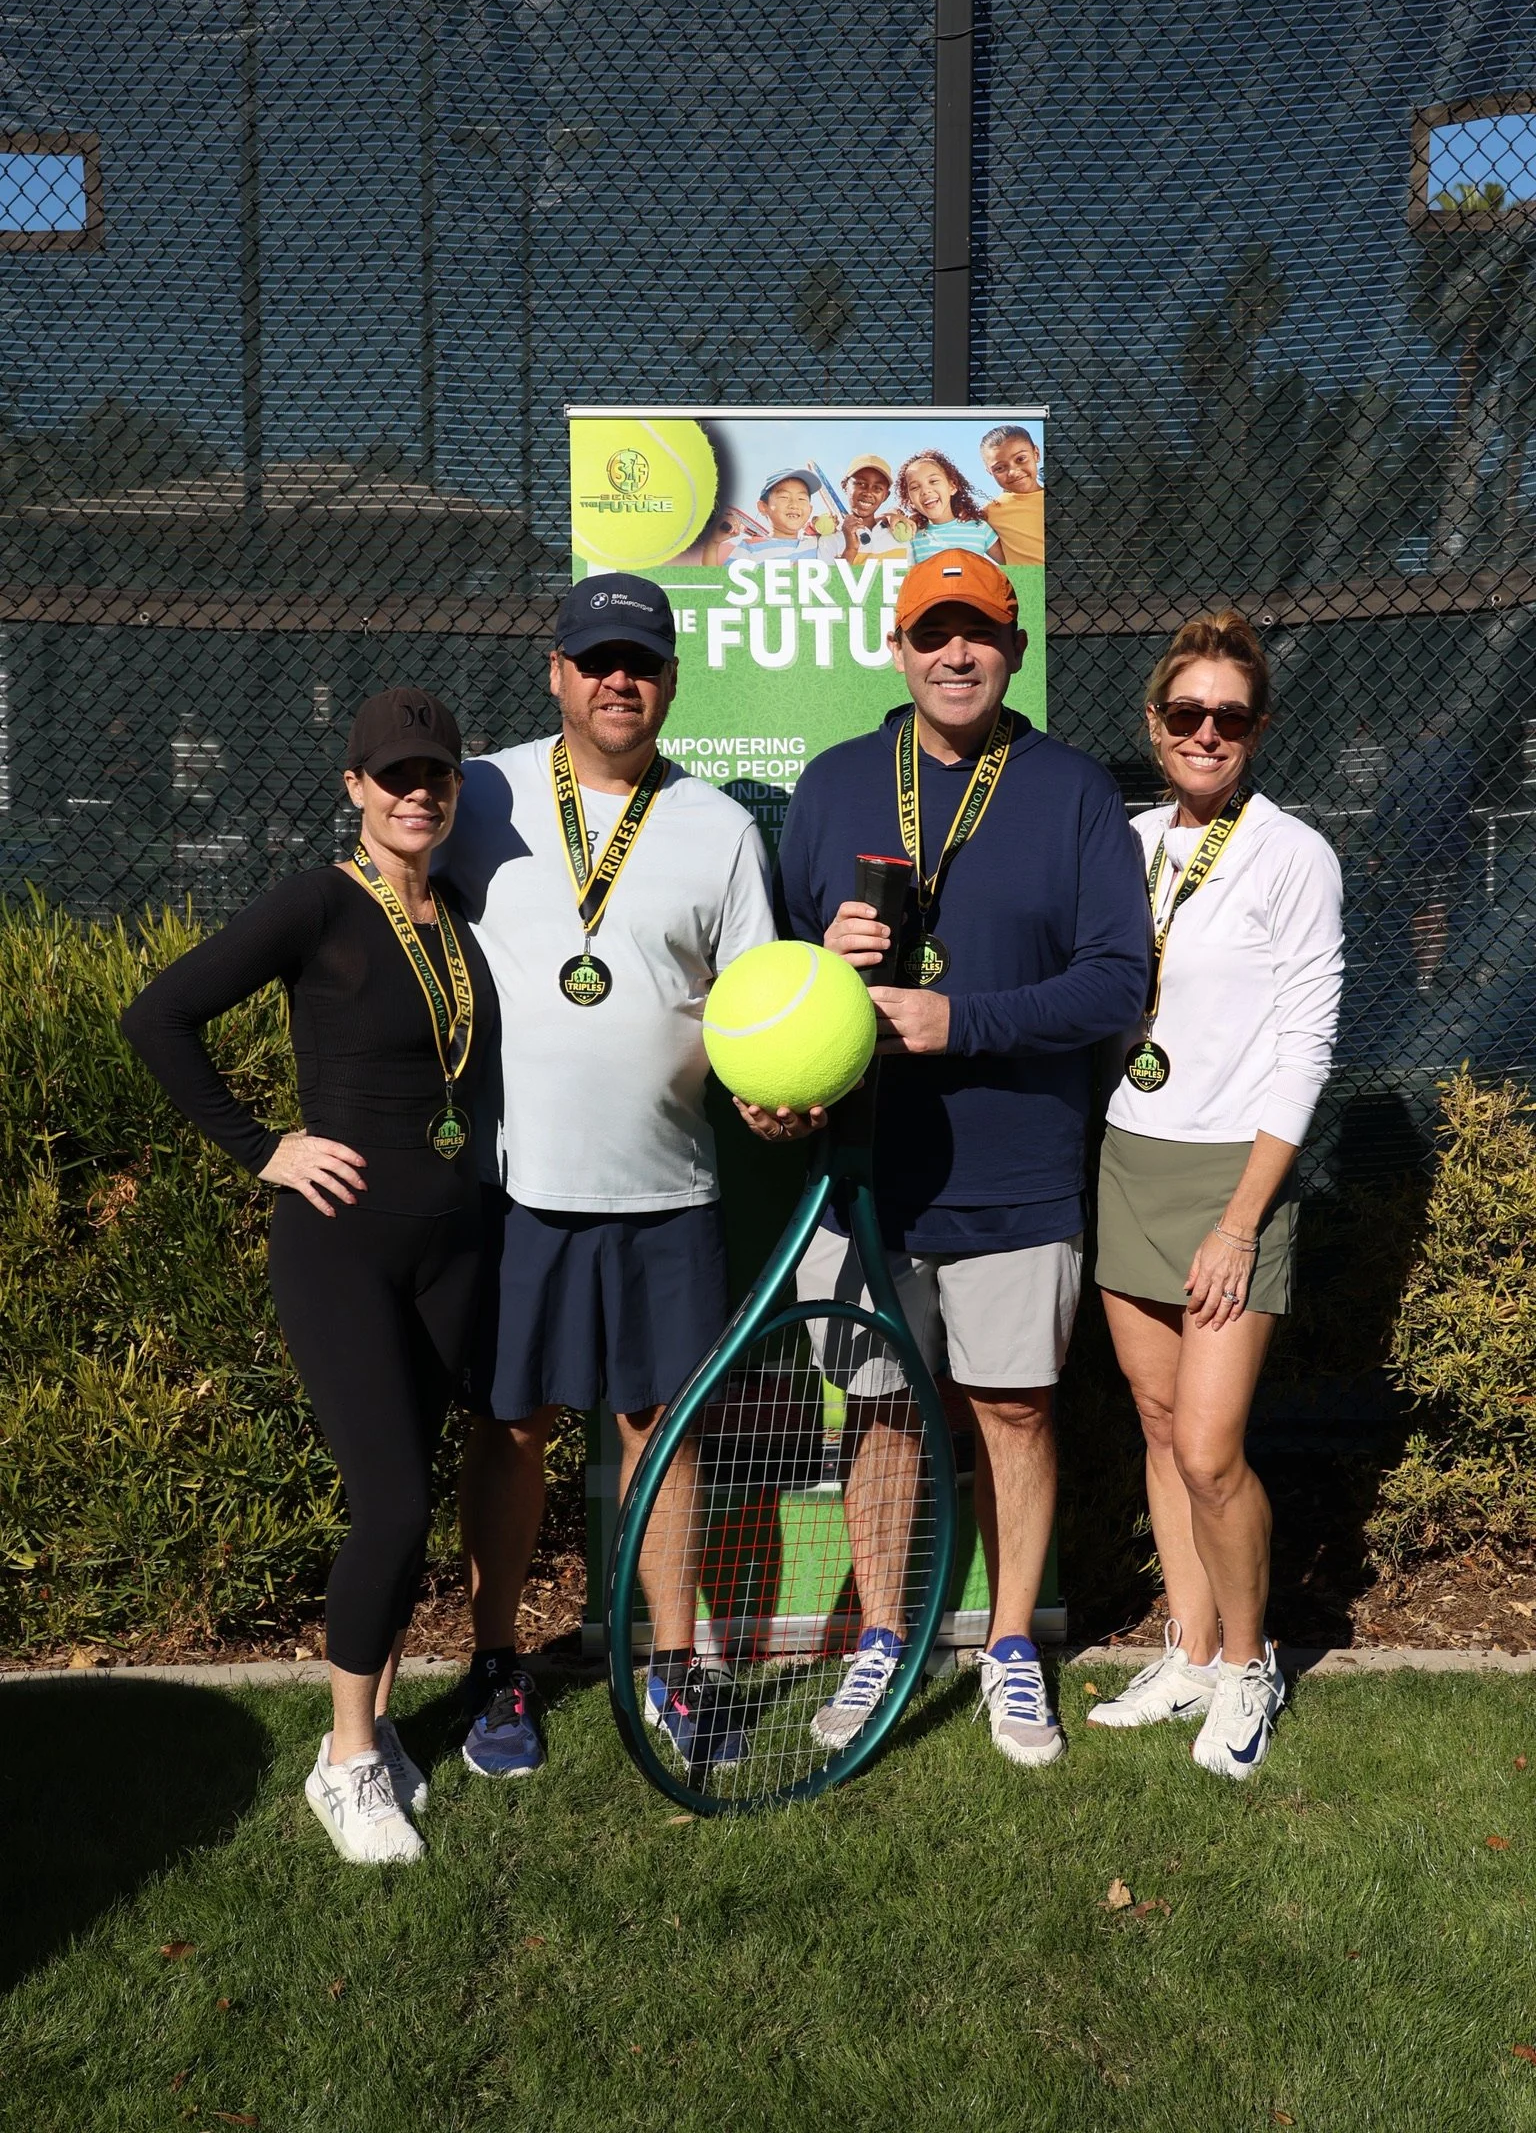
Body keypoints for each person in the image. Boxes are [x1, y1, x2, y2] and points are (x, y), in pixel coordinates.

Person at [752, 548, 1148, 1767]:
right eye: (934, 632)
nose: (956, 653)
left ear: (1017, 651)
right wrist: (828, 956)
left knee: (1014, 1412)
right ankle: (885, 1641)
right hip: (867, 1171)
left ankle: (1013, 1647)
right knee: (878, 1419)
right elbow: (770, 983)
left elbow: (1116, 983)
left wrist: (958, 1019)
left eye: (979, 632)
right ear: (898, 647)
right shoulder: (827, 788)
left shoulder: (1073, 792)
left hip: (1018, 1170)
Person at [121, 688, 494, 1864]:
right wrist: (263, 1146)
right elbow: (159, 1017)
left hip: (451, 1244)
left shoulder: (460, 914)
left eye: (434, 773)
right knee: (387, 1503)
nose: (416, 792)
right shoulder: (319, 903)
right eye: (394, 775)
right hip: (340, 1246)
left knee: (416, 1500)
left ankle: (375, 1733)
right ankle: (340, 1766)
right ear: (354, 789)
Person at [439, 571, 776, 1780]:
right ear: (557, 674)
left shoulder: (721, 830)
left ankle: (675, 1666)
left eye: (640, 661)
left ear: (672, 681)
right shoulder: (482, 796)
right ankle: (495, 1665)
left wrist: (769, 1095)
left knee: (660, 1433)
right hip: (515, 1189)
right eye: (596, 660)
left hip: (668, 1191)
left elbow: (751, 1014)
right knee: (514, 1428)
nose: (617, 680)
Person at [1087, 610, 1343, 1779]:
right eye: (1185, 713)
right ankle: (1188, 1648)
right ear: (1154, 724)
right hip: (1127, 1155)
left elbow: (1306, 1049)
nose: (1205, 733)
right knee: (1152, 1423)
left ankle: (1249, 1665)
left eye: (1228, 717)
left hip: (1231, 1182)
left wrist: (1243, 1220)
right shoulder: (1126, 840)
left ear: (1258, 729)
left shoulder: (1293, 855)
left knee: (1207, 1449)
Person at [1368, 715, 1475, 992]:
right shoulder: (1459, 755)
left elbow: (1385, 806)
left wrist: (1375, 848)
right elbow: (1469, 794)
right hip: (1449, 843)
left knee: (1421, 909)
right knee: (1439, 906)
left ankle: (1424, 971)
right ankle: (1433, 966)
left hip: (1412, 845)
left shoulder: (1404, 760)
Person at [896, 450, 1003, 565]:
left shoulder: (980, 528)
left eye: (933, 481)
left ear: (952, 487)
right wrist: (892, 515)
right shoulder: (912, 536)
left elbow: (1012, 565)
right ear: (909, 499)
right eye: (915, 487)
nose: (925, 491)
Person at [979, 424, 1046, 567]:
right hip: (1030, 585)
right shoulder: (989, 512)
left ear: (1036, 454)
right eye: (1000, 468)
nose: (1013, 472)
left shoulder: (1064, 499)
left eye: (1020, 459)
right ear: (989, 472)